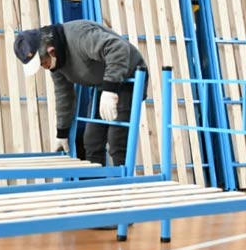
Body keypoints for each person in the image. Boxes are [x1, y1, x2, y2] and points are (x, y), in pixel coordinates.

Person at [13, 20, 147, 167]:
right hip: (104, 83)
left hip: (129, 76)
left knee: (117, 140)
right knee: (92, 141)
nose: (44, 67)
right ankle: (97, 186)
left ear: (51, 51)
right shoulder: (55, 63)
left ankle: (124, 186)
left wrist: (110, 90)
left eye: (42, 63)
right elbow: (63, 95)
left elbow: (118, 48)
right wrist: (62, 132)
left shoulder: (80, 36)